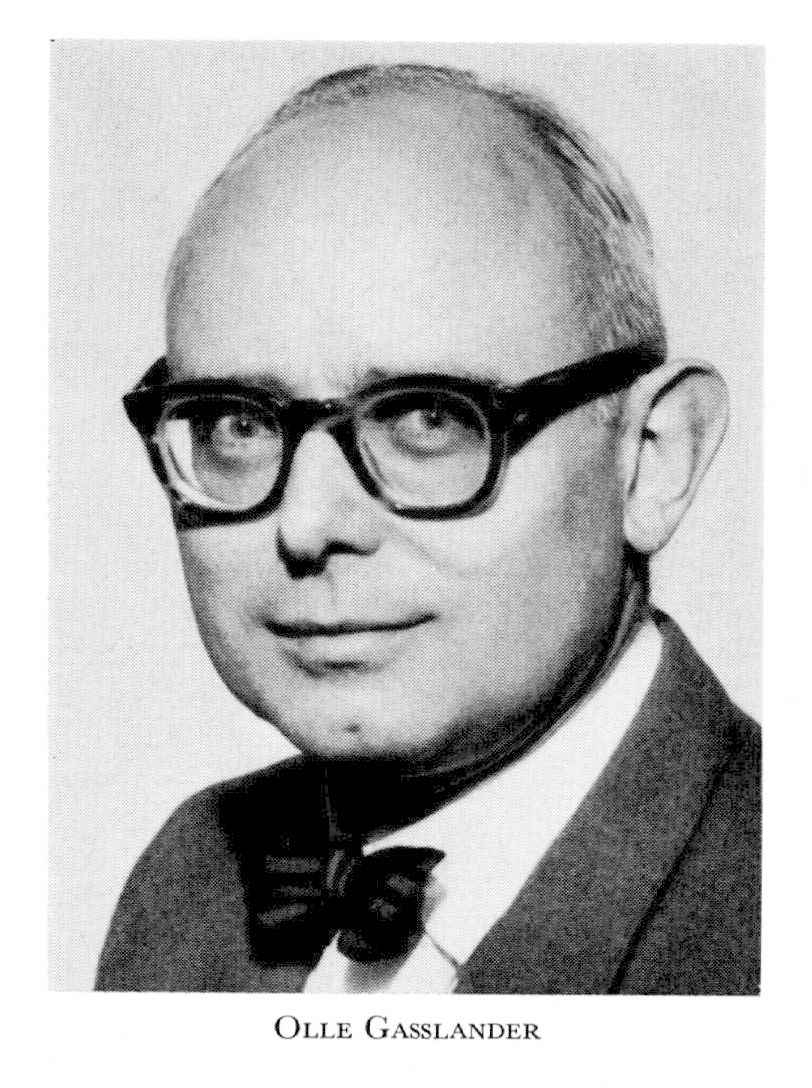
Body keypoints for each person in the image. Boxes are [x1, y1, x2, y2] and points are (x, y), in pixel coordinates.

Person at [96, 63, 760, 994]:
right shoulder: (187, 887)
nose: (307, 525)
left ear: (655, 457)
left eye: (430, 419)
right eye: (236, 425)